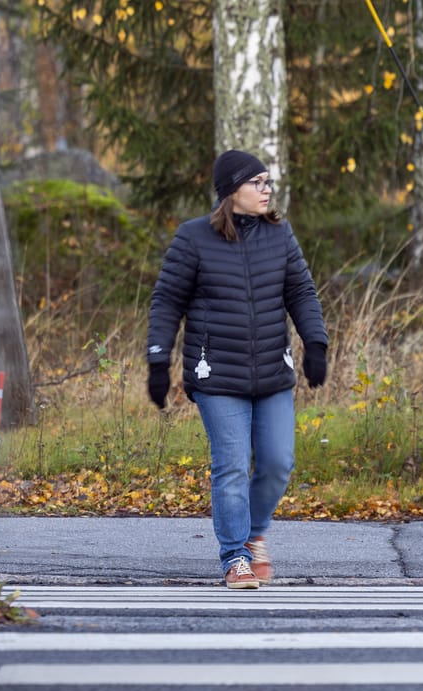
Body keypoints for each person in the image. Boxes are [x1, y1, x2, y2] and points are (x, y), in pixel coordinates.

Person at [146, 149, 328, 589]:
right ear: (231, 191)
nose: (267, 190)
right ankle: (235, 558)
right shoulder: (193, 238)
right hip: (216, 375)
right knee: (229, 464)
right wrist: (157, 359)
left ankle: (253, 532)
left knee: (277, 462)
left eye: (268, 182)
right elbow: (167, 302)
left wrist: (315, 342)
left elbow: (301, 291)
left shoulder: (279, 234)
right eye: (257, 183)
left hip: (271, 371)